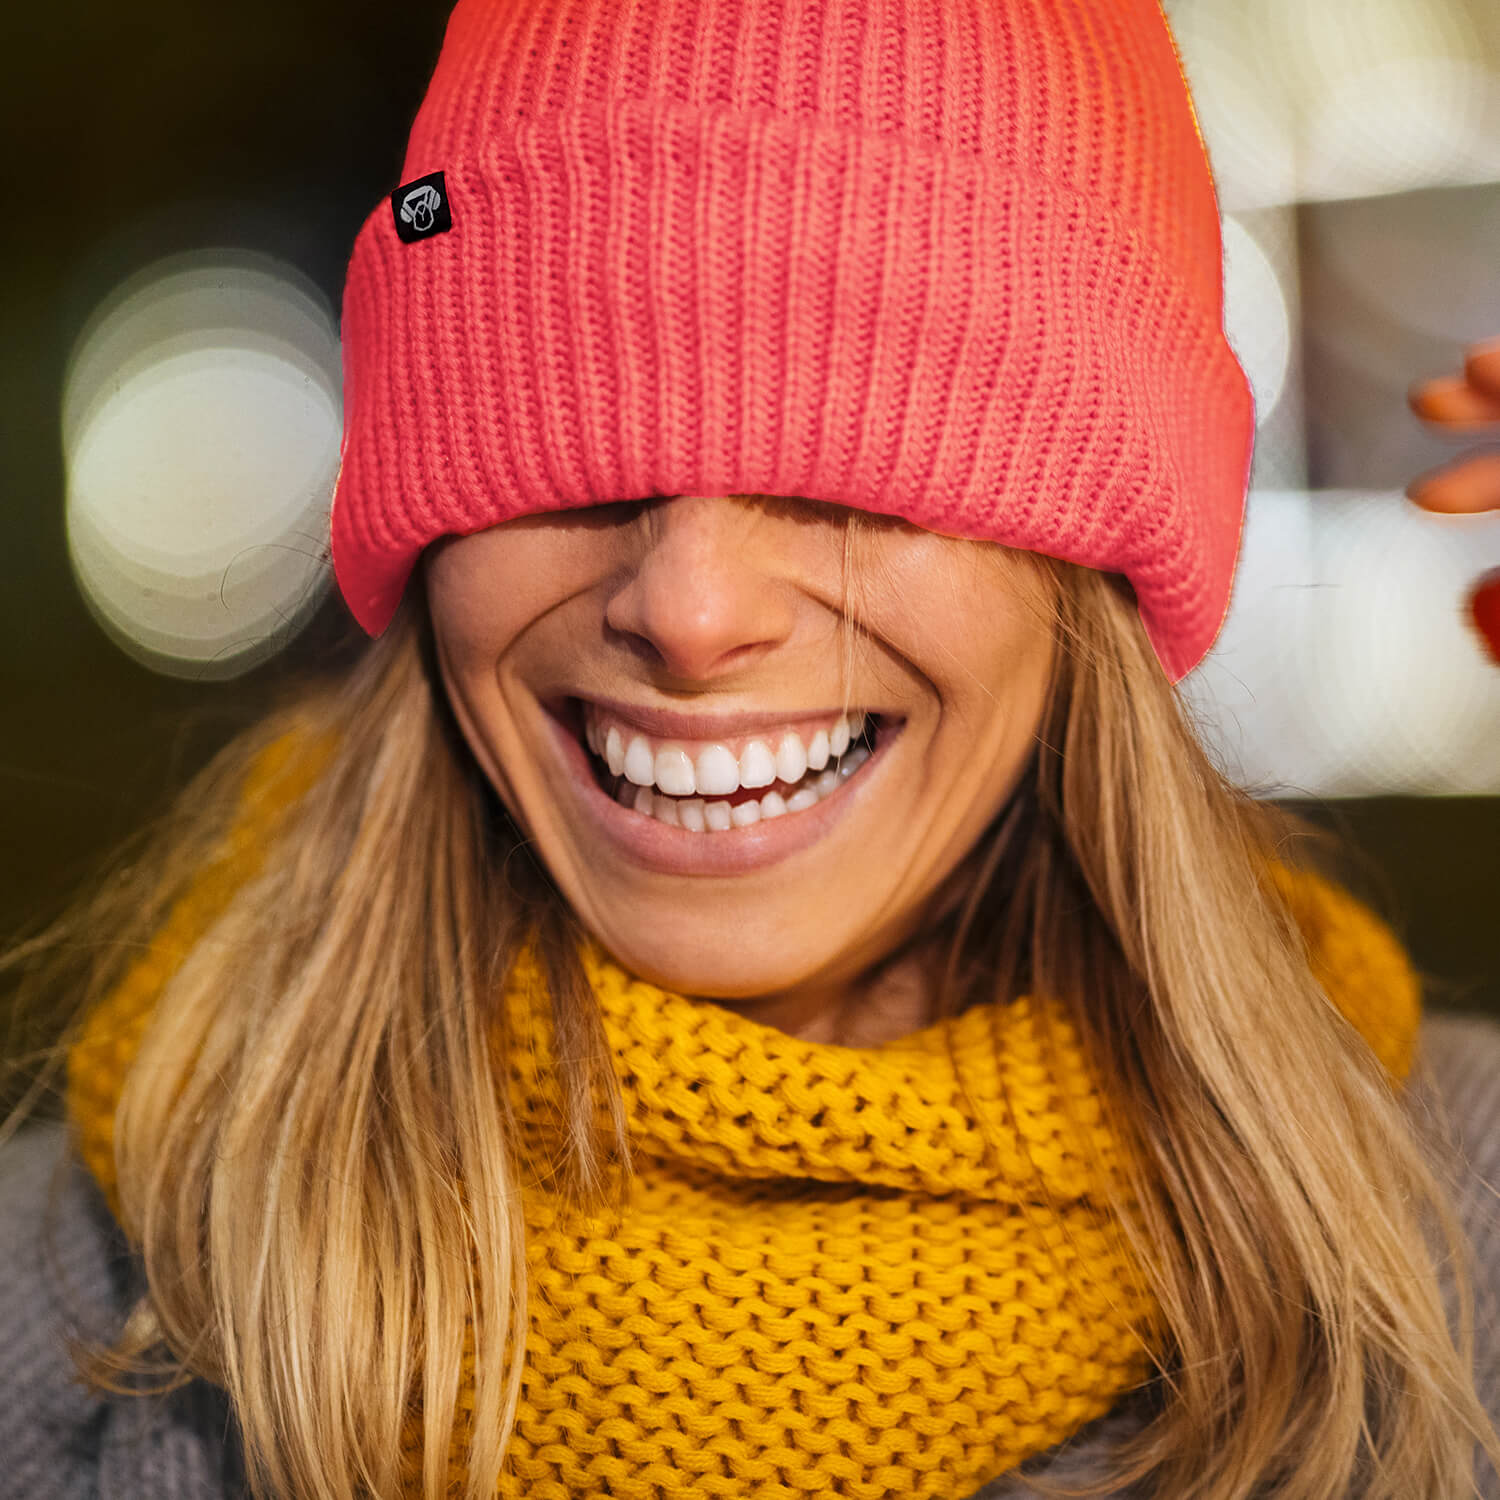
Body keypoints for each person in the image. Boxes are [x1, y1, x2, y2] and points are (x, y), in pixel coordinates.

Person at [3, 0, 1499, 1496]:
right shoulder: (75, 1303)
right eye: (562, 437)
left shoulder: (1456, 1236)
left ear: (1089, 574)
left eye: (858, 470)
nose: (692, 610)